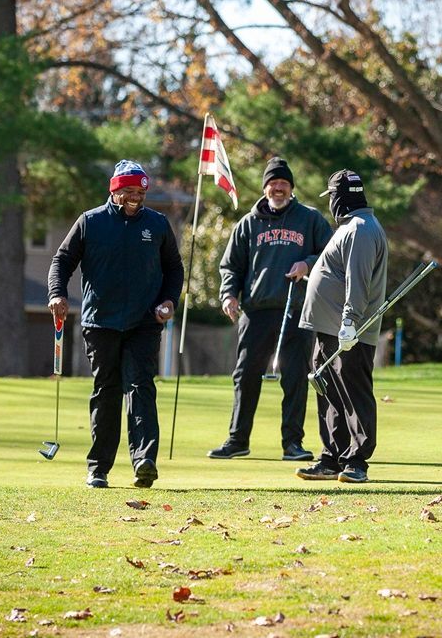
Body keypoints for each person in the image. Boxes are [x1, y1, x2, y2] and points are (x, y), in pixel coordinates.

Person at [47, 160, 183, 489]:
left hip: (144, 321)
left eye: (141, 191)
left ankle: (144, 461)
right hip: (101, 321)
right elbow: (61, 261)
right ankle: (98, 468)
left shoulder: (158, 224)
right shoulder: (90, 222)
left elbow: (174, 269)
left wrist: (168, 301)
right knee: (106, 391)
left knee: (140, 387)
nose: (136, 197)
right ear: (115, 191)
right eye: (129, 191)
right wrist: (56, 294)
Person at [208, 157, 333, 461]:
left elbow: (331, 255)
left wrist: (308, 263)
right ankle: (238, 440)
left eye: (284, 183)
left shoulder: (310, 219)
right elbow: (231, 266)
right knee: (245, 375)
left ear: (291, 187)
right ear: (265, 188)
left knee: (294, 377)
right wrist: (228, 295)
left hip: (298, 310)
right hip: (256, 311)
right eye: (273, 183)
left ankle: (293, 444)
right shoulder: (248, 224)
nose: (278, 188)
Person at [296, 169, 388, 484]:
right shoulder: (351, 227)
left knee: (353, 393)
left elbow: (358, 281)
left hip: (349, 332)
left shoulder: (361, 229)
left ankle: (357, 461)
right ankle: (333, 458)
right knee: (329, 393)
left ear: (340, 197)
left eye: (332, 197)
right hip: (329, 328)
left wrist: (349, 321)